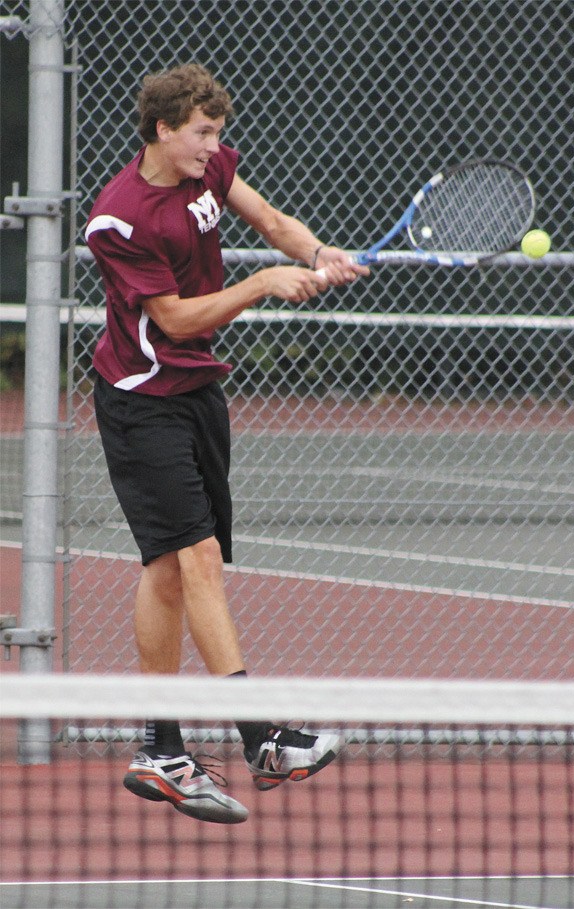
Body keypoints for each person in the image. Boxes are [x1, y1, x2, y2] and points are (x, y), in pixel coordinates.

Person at [85, 63, 369, 824]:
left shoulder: (211, 174)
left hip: (198, 396)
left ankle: (159, 747)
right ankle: (262, 739)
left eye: (219, 132)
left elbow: (273, 220)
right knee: (197, 557)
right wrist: (262, 284)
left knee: (169, 570)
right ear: (162, 130)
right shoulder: (119, 217)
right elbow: (175, 319)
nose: (215, 145)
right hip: (142, 403)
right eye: (203, 133)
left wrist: (315, 256)